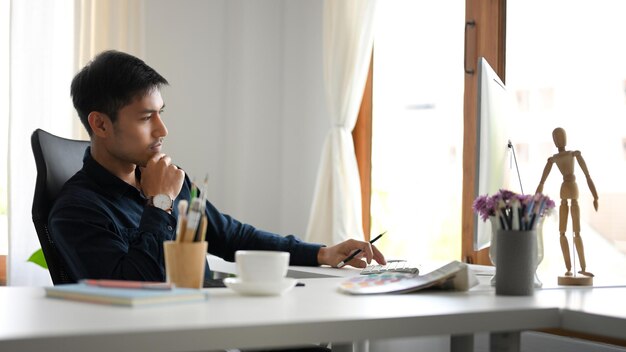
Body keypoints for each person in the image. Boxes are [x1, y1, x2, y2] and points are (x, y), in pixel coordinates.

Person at [49, 50, 386, 283]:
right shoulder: (76, 211)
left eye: (160, 113)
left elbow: (230, 235)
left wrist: (323, 253)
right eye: (145, 118)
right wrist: (160, 204)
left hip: (211, 328)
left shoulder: (164, 178)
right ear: (101, 125)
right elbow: (138, 286)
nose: (162, 131)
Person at [535, 127, 598, 278]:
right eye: (557, 137)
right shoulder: (554, 159)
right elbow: (542, 182)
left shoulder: (571, 154)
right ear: (555, 141)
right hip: (566, 190)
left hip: (570, 189)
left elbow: (587, 175)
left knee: (576, 231)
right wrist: (535, 200)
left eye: (560, 136)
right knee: (563, 232)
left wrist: (595, 196)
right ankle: (569, 267)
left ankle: (582, 267)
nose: (559, 140)